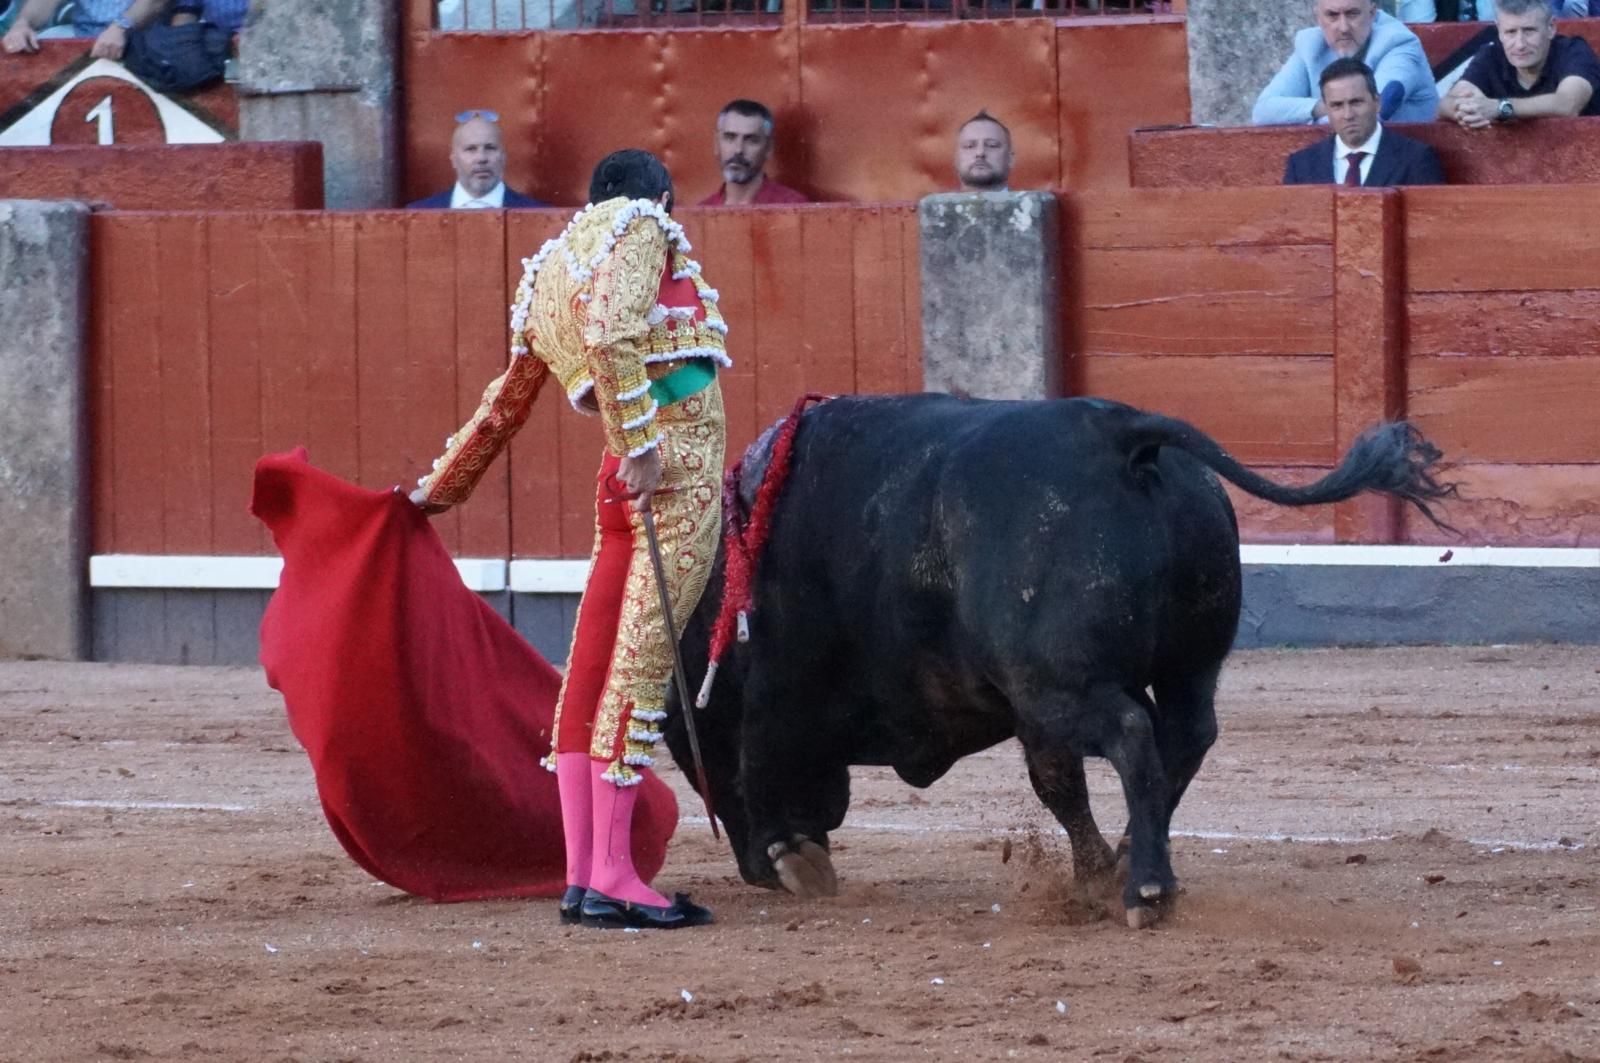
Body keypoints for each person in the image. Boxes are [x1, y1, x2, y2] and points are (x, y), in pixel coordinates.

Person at [409, 149, 727, 931]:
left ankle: (585, 873)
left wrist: (436, 490)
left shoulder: (552, 266)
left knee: (589, 671)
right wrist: (642, 445)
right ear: (661, 196)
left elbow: (505, 404)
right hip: (671, 472)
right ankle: (614, 877)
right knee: (637, 670)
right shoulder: (643, 225)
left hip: (617, 480)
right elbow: (615, 333)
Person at [1253, 0, 1440, 126]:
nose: (1343, 28)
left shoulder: (1399, 43)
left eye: (1352, 14)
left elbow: (1373, 111)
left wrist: (1304, 116)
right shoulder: (1310, 44)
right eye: (1332, 15)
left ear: (1372, 13)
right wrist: (1323, 107)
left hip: (1404, 162)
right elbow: (1263, 111)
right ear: (1318, 18)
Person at [1284, 59, 1446, 185]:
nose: (1348, 115)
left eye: (1356, 102)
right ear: (1327, 109)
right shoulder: (1301, 165)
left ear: (1377, 103)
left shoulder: (1416, 158)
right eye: (1337, 105)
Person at [1439, 0, 1600, 126]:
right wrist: (1468, 111)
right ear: (1499, 32)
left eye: (1529, 31)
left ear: (1551, 28)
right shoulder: (1491, 55)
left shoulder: (1574, 51)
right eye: (1510, 32)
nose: (1520, 44)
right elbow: (1444, 105)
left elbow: (1567, 104)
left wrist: (1499, 108)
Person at [407, 111, 549, 209]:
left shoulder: (538, 215)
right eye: (471, 149)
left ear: (503, 157)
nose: (481, 158)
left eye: (490, 148)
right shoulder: (417, 214)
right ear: (453, 159)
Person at [698, 99, 808, 206]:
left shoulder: (792, 208)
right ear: (716, 143)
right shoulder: (702, 212)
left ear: (769, 148)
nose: (738, 150)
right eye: (730, 137)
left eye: (751, 140)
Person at [3, 0, 164, 57]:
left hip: (144, 40)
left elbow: (155, 3)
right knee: (24, 49)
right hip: (82, 35)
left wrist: (120, 27)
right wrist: (23, 24)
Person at [954, 110, 1014, 192]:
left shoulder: (1032, 200)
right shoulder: (936, 200)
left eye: (992, 145)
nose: (980, 153)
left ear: (1010, 158)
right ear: (956, 159)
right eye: (969, 146)